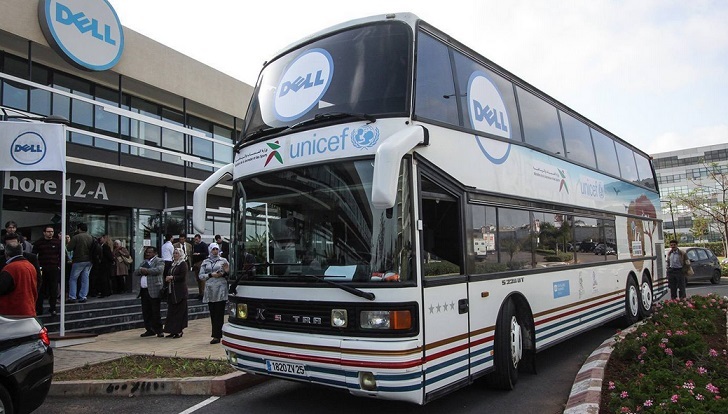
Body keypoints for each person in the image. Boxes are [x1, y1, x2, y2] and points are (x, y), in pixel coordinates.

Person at [0, 234, 38, 316]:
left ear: (6, 253)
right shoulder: (30, 265)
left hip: (12, 312)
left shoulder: (10, 268)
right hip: (28, 308)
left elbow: (2, 288)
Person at [199, 242, 229, 344]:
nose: (215, 251)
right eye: (213, 249)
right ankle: (215, 334)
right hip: (210, 289)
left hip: (220, 289)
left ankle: (217, 335)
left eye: (216, 249)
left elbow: (229, 273)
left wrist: (224, 272)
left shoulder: (223, 260)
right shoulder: (206, 261)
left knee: (219, 313)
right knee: (213, 313)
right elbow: (201, 276)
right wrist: (211, 275)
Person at [134, 246, 165, 337]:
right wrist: (141, 270)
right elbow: (136, 271)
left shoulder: (159, 261)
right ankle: (149, 329)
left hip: (154, 289)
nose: (147, 254)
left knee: (155, 311)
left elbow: (159, 270)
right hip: (144, 290)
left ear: (155, 253)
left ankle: (159, 330)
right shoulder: (144, 262)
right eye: (147, 252)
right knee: (146, 311)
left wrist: (146, 270)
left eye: (150, 252)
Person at [33, 225, 61, 316]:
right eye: (48, 231)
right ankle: (39, 309)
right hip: (42, 268)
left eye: (52, 232)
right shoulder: (38, 243)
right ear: (44, 232)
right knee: (41, 289)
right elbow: (34, 255)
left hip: (53, 268)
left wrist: (59, 266)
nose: (50, 233)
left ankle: (53, 309)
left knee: (53, 289)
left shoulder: (57, 242)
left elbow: (61, 255)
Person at [163, 248, 189, 338]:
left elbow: (182, 276)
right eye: (174, 253)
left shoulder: (183, 264)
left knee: (179, 312)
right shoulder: (172, 264)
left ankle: (179, 330)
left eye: (177, 253)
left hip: (180, 292)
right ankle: (172, 330)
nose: (175, 255)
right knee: (172, 312)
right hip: (172, 291)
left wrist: (172, 277)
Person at [66, 223, 94, 303]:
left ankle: (72, 296)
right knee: (85, 278)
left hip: (78, 260)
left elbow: (69, 248)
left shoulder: (76, 237)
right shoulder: (91, 237)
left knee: (73, 279)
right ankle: (83, 296)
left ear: (79, 229)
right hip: (89, 260)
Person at [191, 234, 208, 300]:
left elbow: (206, 253)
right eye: (195, 239)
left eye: (197, 239)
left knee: (202, 279)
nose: (196, 241)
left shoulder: (203, 245)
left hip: (201, 262)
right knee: (198, 279)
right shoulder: (195, 245)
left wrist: (199, 254)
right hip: (196, 263)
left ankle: (203, 293)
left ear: (200, 239)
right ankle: (200, 292)